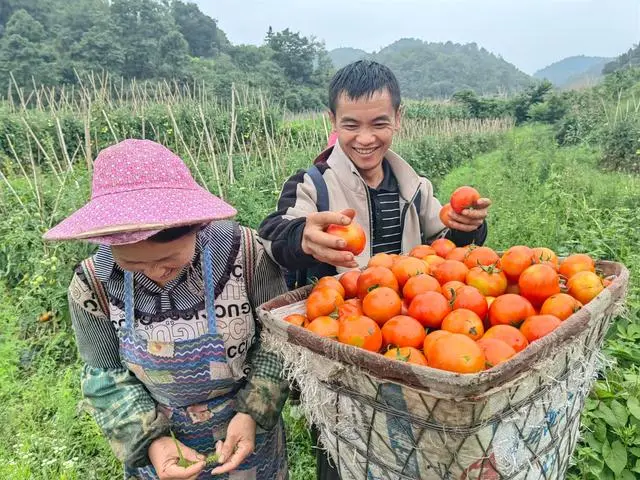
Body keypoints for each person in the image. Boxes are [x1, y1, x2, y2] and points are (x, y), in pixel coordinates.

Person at [258, 60, 491, 479]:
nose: (365, 139)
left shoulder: (414, 187)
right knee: (340, 449)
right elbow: (275, 235)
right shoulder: (314, 185)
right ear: (332, 121)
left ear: (398, 119)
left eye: (379, 123)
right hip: (342, 346)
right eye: (350, 125)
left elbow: (446, 244)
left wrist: (466, 226)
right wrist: (302, 238)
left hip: (411, 342)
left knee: (409, 451)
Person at [44, 139, 289, 480]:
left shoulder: (246, 255)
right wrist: (154, 443)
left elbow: (279, 342)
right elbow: (104, 377)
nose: (155, 272)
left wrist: (252, 412)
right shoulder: (92, 285)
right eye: (133, 263)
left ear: (197, 226)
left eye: (169, 259)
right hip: (161, 454)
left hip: (250, 439)